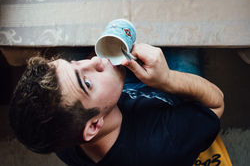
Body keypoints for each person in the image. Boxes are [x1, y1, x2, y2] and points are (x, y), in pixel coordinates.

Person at [9, 44, 224, 166]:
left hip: (119, 96)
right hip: (172, 97)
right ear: (94, 126)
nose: (93, 61)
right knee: (181, 25)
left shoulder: (62, 133)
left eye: (74, 64)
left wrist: (90, 78)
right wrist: (167, 79)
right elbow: (216, 104)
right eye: (86, 83)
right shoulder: (162, 146)